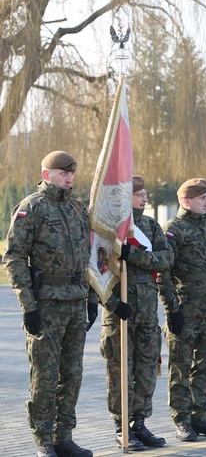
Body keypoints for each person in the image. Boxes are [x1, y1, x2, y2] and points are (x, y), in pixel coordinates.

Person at [4, 151, 98, 457]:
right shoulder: (31, 207)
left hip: (74, 301)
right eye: (63, 173)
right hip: (46, 304)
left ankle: (64, 436)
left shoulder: (77, 208)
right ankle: (43, 438)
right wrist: (27, 305)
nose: (69, 178)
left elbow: (88, 257)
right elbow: (14, 257)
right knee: (46, 374)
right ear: (47, 175)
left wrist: (93, 298)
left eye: (71, 173)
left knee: (72, 374)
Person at [99, 175, 171, 450]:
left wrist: (135, 255)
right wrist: (112, 303)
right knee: (120, 372)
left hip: (147, 314)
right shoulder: (109, 227)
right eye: (138, 194)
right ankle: (121, 425)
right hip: (120, 313)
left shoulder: (150, 226)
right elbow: (97, 267)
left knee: (145, 371)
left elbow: (166, 260)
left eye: (144, 195)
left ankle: (139, 423)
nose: (144, 199)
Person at [158, 178, 206, 442]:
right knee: (180, 367)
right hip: (186, 310)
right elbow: (163, 273)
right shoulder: (173, 230)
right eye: (203, 199)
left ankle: (200, 415)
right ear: (187, 201)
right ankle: (182, 420)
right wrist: (171, 309)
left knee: (204, 367)